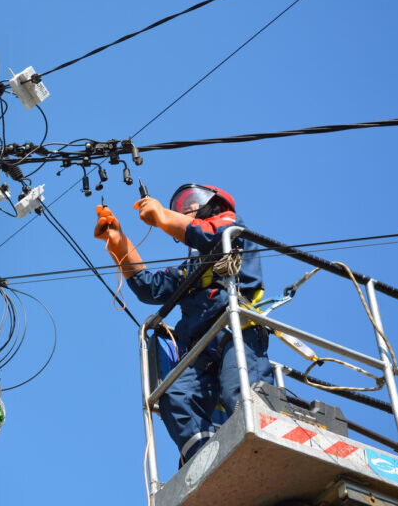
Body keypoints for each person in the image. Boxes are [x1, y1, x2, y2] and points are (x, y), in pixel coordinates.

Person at [94, 183, 273, 464]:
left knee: (238, 390)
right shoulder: (191, 267)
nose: (186, 208)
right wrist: (119, 243)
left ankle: (259, 447)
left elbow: (213, 234)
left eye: (192, 201)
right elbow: (150, 288)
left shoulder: (230, 226)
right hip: (201, 348)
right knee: (175, 394)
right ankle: (204, 460)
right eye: (180, 206)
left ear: (214, 203)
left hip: (235, 331)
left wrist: (165, 218)